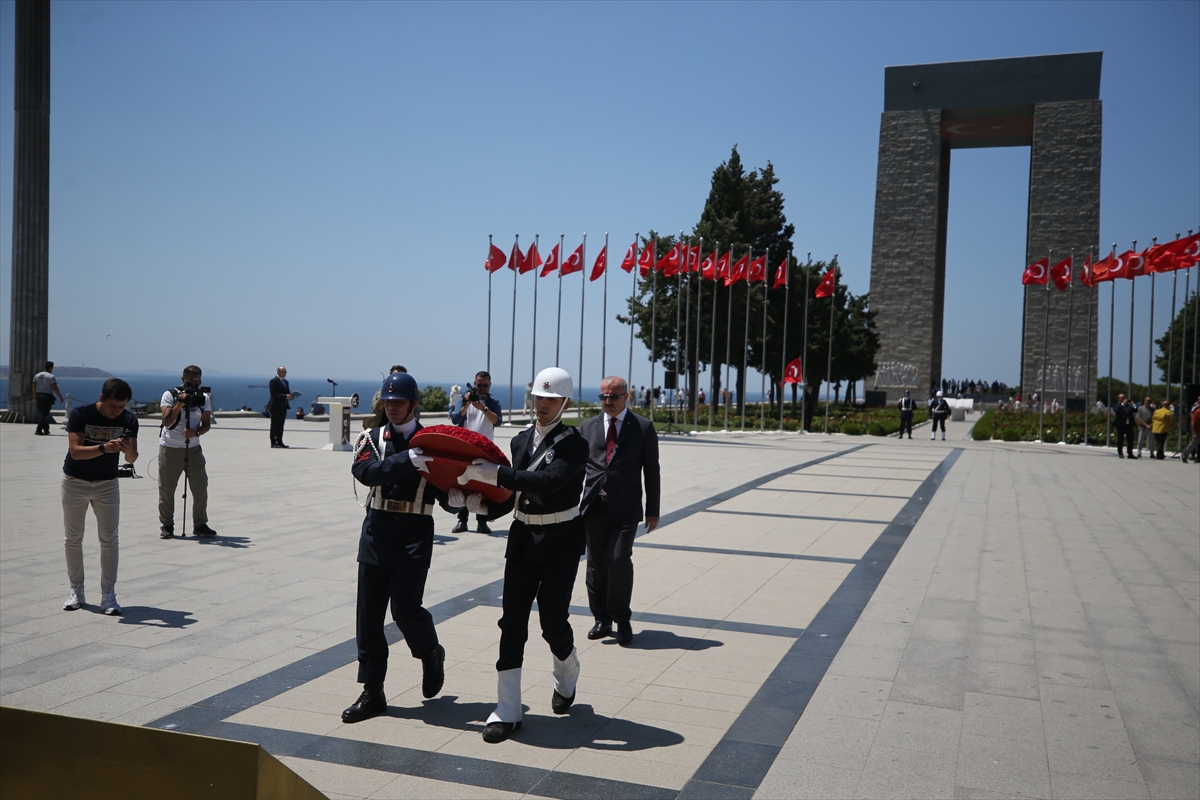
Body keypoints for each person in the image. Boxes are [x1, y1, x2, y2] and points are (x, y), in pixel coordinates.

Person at [457, 367, 588, 743]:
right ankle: (507, 708)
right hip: (523, 539)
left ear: (565, 402)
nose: (542, 405)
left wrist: (495, 474)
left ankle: (567, 669)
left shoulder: (574, 444)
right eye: (538, 398)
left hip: (561, 541)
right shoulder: (519, 442)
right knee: (511, 622)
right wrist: (472, 503)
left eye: (550, 399)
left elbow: (547, 483)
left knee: (551, 622)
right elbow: (513, 496)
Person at [341, 372, 448, 724]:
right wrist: (406, 461)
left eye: (398, 402)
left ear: (413, 404)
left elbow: (447, 490)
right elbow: (366, 473)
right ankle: (373, 690)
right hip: (377, 530)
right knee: (369, 617)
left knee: (405, 610)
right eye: (387, 402)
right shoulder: (371, 437)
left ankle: (430, 652)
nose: (392, 408)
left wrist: (463, 497)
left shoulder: (432, 441)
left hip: (414, 532)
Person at [579, 376, 660, 647]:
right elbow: (576, 469)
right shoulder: (586, 428)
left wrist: (653, 509)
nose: (608, 402)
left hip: (625, 509)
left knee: (618, 561)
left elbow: (652, 470)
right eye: (603, 396)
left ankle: (622, 619)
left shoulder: (643, 427)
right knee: (595, 565)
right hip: (594, 508)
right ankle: (601, 619)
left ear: (626, 397)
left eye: (613, 396)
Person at [61, 378, 139, 615]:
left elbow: (132, 458)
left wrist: (128, 450)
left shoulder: (128, 419)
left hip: (107, 484)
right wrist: (104, 447)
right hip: (75, 481)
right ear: (102, 398)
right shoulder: (80, 414)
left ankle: (108, 595)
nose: (117, 412)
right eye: (113, 406)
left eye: (122, 407)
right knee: (73, 538)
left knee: (109, 539)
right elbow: (75, 452)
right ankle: (76, 590)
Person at [159, 366, 217, 539]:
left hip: (193, 448)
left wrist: (196, 432)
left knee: (200, 487)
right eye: (190, 380)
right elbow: (167, 422)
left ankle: (200, 524)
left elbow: (206, 424)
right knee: (167, 489)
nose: (194, 383)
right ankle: (167, 525)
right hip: (170, 448)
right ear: (183, 379)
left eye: (197, 380)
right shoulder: (169, 395)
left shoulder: (203, 398)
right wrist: (179, 403)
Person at [448, 371, 503, 534]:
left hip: (486, 449)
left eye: (485, 385)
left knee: (483, 485)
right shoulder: (465, 399)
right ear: (474, 384)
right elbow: (455, 419)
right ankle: (462, 520)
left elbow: (497, 421)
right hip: (466, 446)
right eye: (479, 385)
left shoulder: (493, 402)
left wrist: (483, 408)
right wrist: (466, 403)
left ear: (490, 385)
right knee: (463, 482)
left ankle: (482, 522)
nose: (482, 388)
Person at [363, 365, 408, 429]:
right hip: (382, 427)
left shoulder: (408, 395)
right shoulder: (381, 393)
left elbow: (415, 415)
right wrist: (385, 395)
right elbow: (376, 409)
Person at [32, 360, 64, 436]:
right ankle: (38, 429)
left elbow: (33, 385)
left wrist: (35, 394)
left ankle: (46, 429)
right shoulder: (51, 377)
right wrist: (60, 396)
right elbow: (54, 387)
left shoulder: (37, 375)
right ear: (51, 368)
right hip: (47, 396)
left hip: (39, 395)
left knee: (42, 412)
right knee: (44, 413)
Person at [268, 366, 292, 448]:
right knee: (274, 424)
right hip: (275, 406)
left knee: (281, 425)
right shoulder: (274, 381)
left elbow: (287, 392)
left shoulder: (286, 382)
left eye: (285, 372)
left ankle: (280, 441)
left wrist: (291, 396)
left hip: (283, 406)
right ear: (278, 372)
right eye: (283, 371)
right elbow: (274, 394)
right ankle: (273, 442)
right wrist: (285, 396)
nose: (284, 373)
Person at [1112, 393, 1136, 458]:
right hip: (1120, 425)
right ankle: (1120, 453)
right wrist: (1122, 404)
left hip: (1129, 425)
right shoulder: (1116, 405)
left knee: (1130, 440)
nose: (1124, 399)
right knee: (1120, 439)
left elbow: (1136, 410)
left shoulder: (1129, 405)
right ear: (1118, 399)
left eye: (1124, 398)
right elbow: (1117, 411)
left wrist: (1133, 404)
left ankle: (1130, 453)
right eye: (1122, 398)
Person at [1181, 399, 1200, 464]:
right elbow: (1193, 422)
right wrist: (1194, 432)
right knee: (1193, 444)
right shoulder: (1197, 411)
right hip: (1198, 431)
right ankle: (1185, 455)